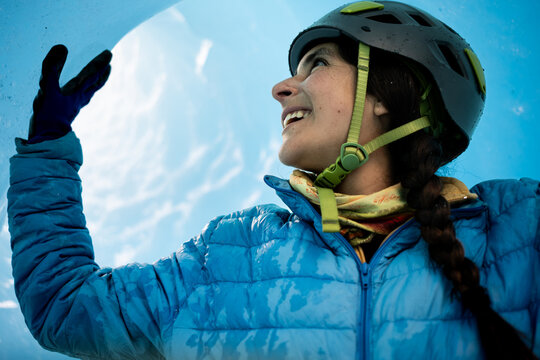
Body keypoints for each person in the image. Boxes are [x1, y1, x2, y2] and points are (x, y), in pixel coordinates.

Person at [7, 1, 539, 359]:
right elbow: (66, 306)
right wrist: (47, 148)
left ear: (387, 94)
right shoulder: (226, 257)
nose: (282, 88)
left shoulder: (518, 233)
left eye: (315, 65)